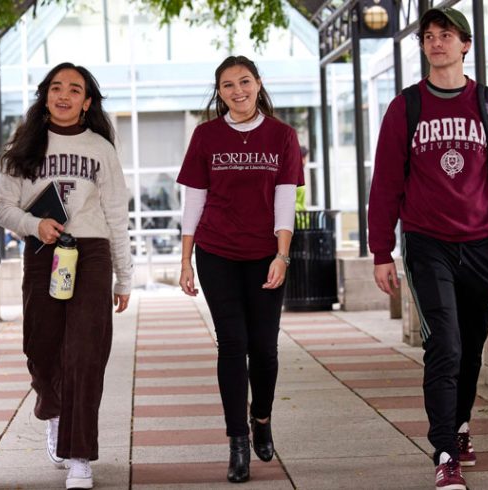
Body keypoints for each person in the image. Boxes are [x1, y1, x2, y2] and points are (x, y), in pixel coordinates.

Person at [367, 7, 488, 490]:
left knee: (471, 349)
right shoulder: (405, 107)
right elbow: (387, 183)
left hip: (481, 247)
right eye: (429, 36)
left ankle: (459, 426)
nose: (436, 42)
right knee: (445, 346)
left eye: (446, 35)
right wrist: (380, 251)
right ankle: (444, 451)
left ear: (465, 45)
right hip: (427, 244)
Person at [0, 62, 132, 490]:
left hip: (90, 253)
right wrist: (36, 226)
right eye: (57, 87)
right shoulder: (22, 145)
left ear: (87, 102)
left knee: (86, 354)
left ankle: (79, 456)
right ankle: (52, 408)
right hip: (42, 252)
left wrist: (124, 277)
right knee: (42, 346)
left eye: (75, 89)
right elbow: (1, 206)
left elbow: (116, 215)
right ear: (46, 95)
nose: (65, 95)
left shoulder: (101, 149)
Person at [176, 55, 304, 484]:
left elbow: (285, 201)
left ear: (258, 83)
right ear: (220, 92)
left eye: (244, 82)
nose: (238, 91)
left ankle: (261, 418)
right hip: (217, 252)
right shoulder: (205, 136)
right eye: (228, 85)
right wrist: (185, 260)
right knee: (232, 343)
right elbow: (194, 201)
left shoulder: (282, 136)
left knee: (265, 348)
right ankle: (237, 442)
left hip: (265, 253)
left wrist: (282, 255)